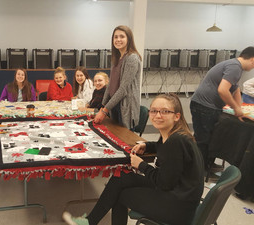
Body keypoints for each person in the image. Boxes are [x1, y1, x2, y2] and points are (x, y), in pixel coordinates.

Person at [63, 93, 204, 225]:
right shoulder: (174, 135)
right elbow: (162, 148)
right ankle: (90, 221)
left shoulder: (176, 142)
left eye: (165, 111)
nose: (157, 115)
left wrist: (141, 165)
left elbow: (164, 183)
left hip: (177, 206)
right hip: (180, 194)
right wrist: (146, 145)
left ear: (176, 116)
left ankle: (90, 221)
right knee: (121, 177)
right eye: (153, 111)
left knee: (119, 194)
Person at [190, 46, 254, 170]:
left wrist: (240, 108)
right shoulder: (235, 67)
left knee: (210, 137)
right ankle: (200, 170)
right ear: (252, 59)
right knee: (204, 140)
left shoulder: (234, 66)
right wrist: (236, 108)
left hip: (204, 106)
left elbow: (235, 89)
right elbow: (223, 90)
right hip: (204, 107)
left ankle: (207, 164)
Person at [93, 25, 141, 129]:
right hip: (114, 104)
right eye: (115, 37)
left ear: (129, 39)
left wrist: (105, 110)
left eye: (122, 37)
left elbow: (123, 89)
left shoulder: (131, 58)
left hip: (125, 106)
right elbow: (110, 84)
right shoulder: (116, 58)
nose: (118, 40)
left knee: (123, 139)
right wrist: (103, 105)